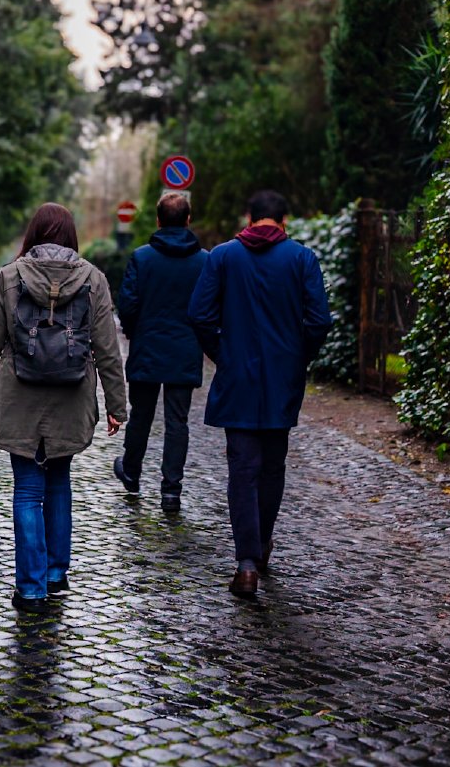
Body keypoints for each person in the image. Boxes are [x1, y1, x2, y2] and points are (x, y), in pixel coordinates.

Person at [0, 203, 128, 611]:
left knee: (26, 491)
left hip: (20, 397)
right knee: (59, 482)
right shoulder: (93, 279)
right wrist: (117, 405)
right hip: (72, 397)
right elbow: (107, 349)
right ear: (70, 236)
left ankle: (31, 588)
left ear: (33, 234)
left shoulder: (8, 277)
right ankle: (56, 573)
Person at [187, 190, 331, 598]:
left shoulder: (223, 256)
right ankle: (263, 547)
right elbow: (319, 319)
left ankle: (246, 563)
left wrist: (222, 353)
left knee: (242, 469)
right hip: (281, 378)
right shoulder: (302, 258)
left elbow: (199, 314)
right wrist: (297, 356)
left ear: (250, 217)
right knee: (272, 466)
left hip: (238, 377)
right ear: (283, 221)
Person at [113, 192, 208, 512]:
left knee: (140, 414)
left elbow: (127, 304)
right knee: (177, 421)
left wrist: (134, 331)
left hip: (148, 346)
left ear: (157, 220)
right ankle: (171, 490)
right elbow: (209, 307)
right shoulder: (204, 260)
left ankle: (131, 471)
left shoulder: (142, 258)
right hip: (185, 348)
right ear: (188, 220)